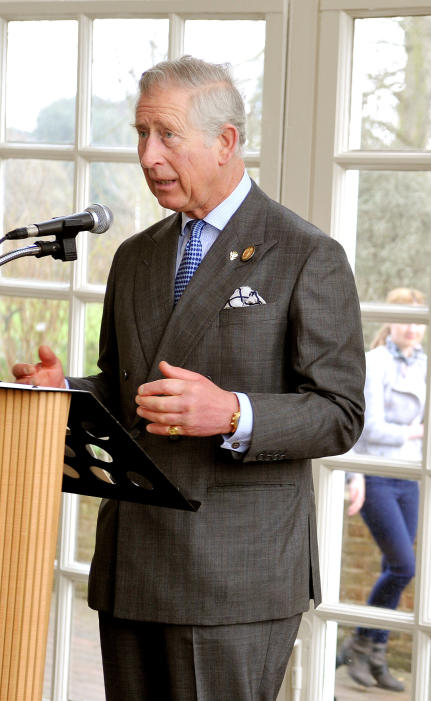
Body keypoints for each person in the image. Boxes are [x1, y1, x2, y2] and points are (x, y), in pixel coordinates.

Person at [11, 56, 366, 701]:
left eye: (167, 134)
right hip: (132, 566)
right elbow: (129, 395)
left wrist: (234, 413)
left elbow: (340, 413)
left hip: (235, 577)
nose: (148, 155)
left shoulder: (307, 254)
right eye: (142, 133)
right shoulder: (135, 256)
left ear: (226, 141)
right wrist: (62, 394)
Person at [339, 287, 431, 692]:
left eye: (420, 320)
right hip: (377, 474)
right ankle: (358, 645)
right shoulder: (375, 362)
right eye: (405, 319)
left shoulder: (428, 364)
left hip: (412, 476)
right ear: (389, 322)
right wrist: (414, 432)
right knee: (403, 566)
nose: (413, 328)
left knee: (391, 568)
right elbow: (369, 428)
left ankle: (374, 654)